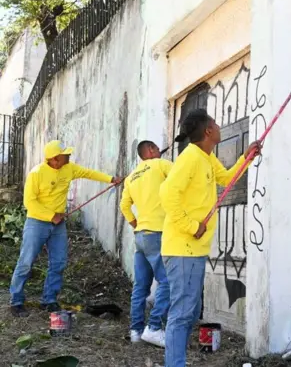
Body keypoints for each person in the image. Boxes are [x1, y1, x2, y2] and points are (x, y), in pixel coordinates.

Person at [160, 109, 261, 367]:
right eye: (215, 124)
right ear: (208, 131)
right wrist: (192, 226)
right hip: (182, 248)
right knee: (182, 314)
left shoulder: (206, 157)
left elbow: (227, 178)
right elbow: (167, 193)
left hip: (192, 249)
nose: (219, 127)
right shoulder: (191, 158)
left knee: (189, 311)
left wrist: (246, 157)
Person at [9, 140, 123, 317]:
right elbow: (29, 202)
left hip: (58, 225)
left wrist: (111, 179)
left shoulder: (68, 168)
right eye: (65, 155)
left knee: (59, 262)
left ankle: (49, 300)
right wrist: (51, 216)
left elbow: (88, 173)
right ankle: (16, 301)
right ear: (54, 159)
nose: (69, 156)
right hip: (37, 223)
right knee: (26, 262)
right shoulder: (37, 173)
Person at [120, 140, 173, 347]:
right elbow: (182, 177)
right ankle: (154, 327)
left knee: (141, 286)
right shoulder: (161, 164)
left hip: (141, 235)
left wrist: (136, 224)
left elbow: (124, 206)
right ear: (151, 150)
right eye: (157, 149)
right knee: (167, 282)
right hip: (157, 233)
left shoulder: (131, 176)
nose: (160, 152)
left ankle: (136, 331)